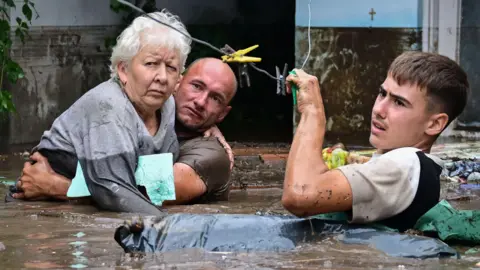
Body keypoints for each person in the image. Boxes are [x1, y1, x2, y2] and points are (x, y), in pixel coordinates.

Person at [7, 10, 192, 214]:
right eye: (151, 64)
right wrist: (173, 229)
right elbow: (114, 191)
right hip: (40, 209)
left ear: (179, 80)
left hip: (73, 199)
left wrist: (60, 188)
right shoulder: (109, 105)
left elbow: (152, 190)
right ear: (123, 70)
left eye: (171, 68)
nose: (162, 77)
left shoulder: (167, 106)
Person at [10, 57, 238, 206]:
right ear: (176, 83)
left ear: (223, 114)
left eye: (215, 98)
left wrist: (57, 187)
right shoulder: (138, 112)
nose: (200, 101)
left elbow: (151, 192)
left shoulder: (212, 155)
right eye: (196, 86)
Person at [282, 51, 469, 232]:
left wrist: (312, 111)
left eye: (399, 103)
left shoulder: (405, 163)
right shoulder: (418, 168)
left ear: (435, 123)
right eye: (382, 93)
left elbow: (300, 195)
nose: (379, 109)